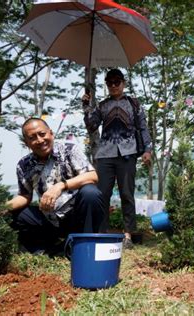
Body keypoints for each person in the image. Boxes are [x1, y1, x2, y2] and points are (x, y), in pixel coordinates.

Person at [6, 118, 105, 254]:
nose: (40, 140)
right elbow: (24, 196)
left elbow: (92, 176)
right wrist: (2, 207)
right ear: (26, 143)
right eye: (32, 137)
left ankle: (84, 246)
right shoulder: (24, 164)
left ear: (51, 133)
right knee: (17, 214)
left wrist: (61, 186)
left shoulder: (70, 150)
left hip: (77, 217)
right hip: (49, 219)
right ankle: (47, 250)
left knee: (90, 193)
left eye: (42, 134)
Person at [82, 69, 152, 248]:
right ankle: (102, 233)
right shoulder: (102, 105)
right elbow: (91, 126)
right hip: (105, 154)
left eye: (117, 82)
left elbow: (143, 127)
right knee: (101, 194)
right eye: (110, 82)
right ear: (106, 84)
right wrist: (86, 107)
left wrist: (147, 150)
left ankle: (128, 234)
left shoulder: (134, 104)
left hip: (128, 153)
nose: (113, 85)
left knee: (127, 194)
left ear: (124, 83)